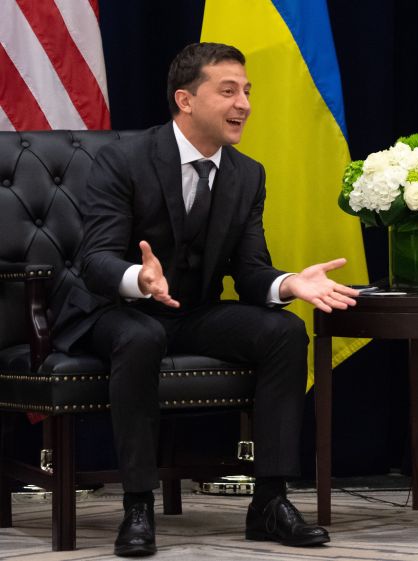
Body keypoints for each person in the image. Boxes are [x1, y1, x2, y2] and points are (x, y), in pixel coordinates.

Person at [50, 42, 359, 557]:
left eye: (247, 92)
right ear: (186, 100)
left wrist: (288, 285)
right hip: (114, 310)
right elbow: (95, 260)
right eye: (228, 91)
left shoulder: (246, 174)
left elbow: (251, 269)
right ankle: (138, 505)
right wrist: (139, 278)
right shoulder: (123, 159)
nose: (244, 104)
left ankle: (270, 501)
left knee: (282, 331)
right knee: (142, 335)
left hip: (192, 312)